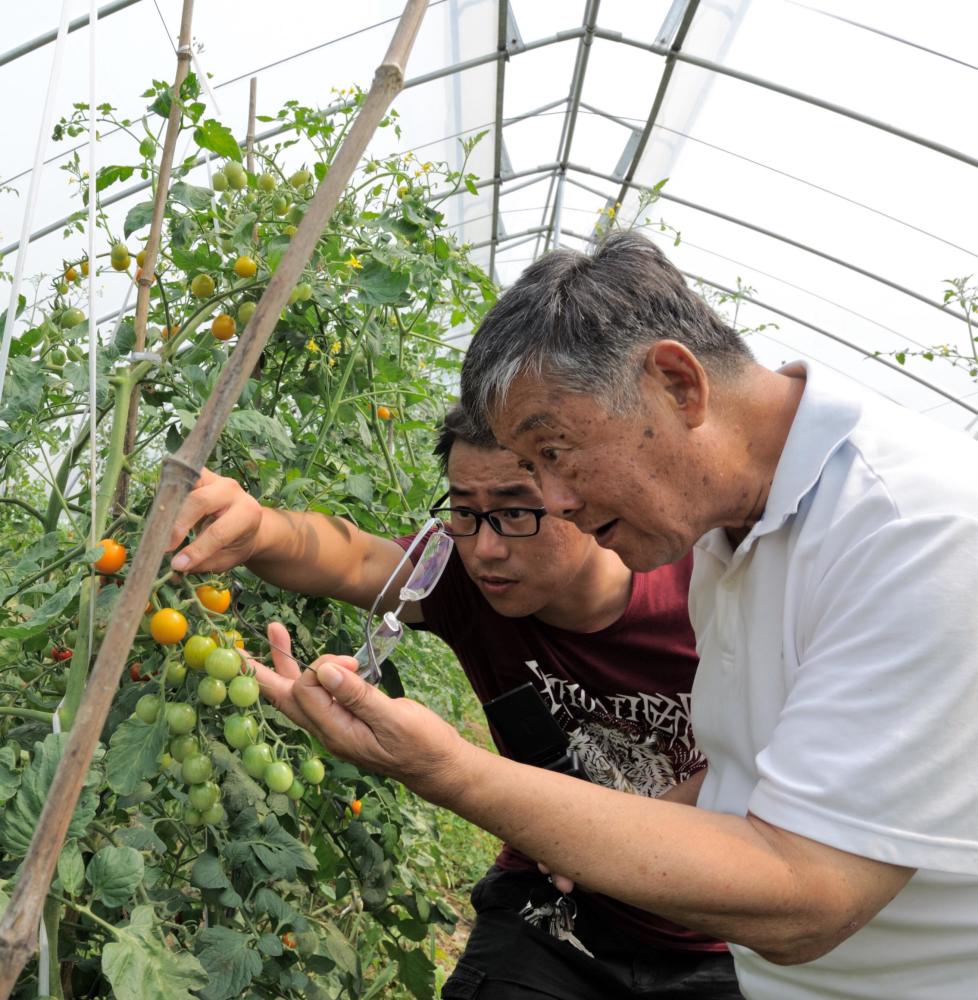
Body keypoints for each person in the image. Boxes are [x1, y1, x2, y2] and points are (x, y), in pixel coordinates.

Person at [269, 231, 978, 1000]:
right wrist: (593, 834)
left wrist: (449, 770)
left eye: (554, 452)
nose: (556, 501)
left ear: (677, 385)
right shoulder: (728, 530)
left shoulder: (917, 534)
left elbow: (808, 896)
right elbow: (744, 769)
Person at [168, 405, 741, 998]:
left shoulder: (711, 592)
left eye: (515, 511)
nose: (485, 548)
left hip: (719, 934)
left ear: (586, 494)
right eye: (465, 511)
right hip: (550, 909)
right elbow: (356, 557)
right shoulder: (463, 576)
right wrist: (260, 528)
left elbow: (764, 758)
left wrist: (603, 843)